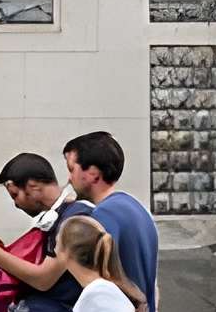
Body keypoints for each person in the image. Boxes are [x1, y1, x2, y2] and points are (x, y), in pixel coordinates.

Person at [0, 152, 93, 312]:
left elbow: (44, 279)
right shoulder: (58, 218)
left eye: (15, 195)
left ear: (33, 186)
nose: (16, 204)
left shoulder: (74, 218)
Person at [62, 133, 157, 312]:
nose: (69, 178)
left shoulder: (104, 216)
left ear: (93, 174)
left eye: (71, 169)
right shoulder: (135, 207)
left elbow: (103, 276)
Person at [57, 216, 144, 312]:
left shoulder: (97, 294)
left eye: (56, 243)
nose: (53, 249)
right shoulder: (100, 290)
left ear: (66, 252)